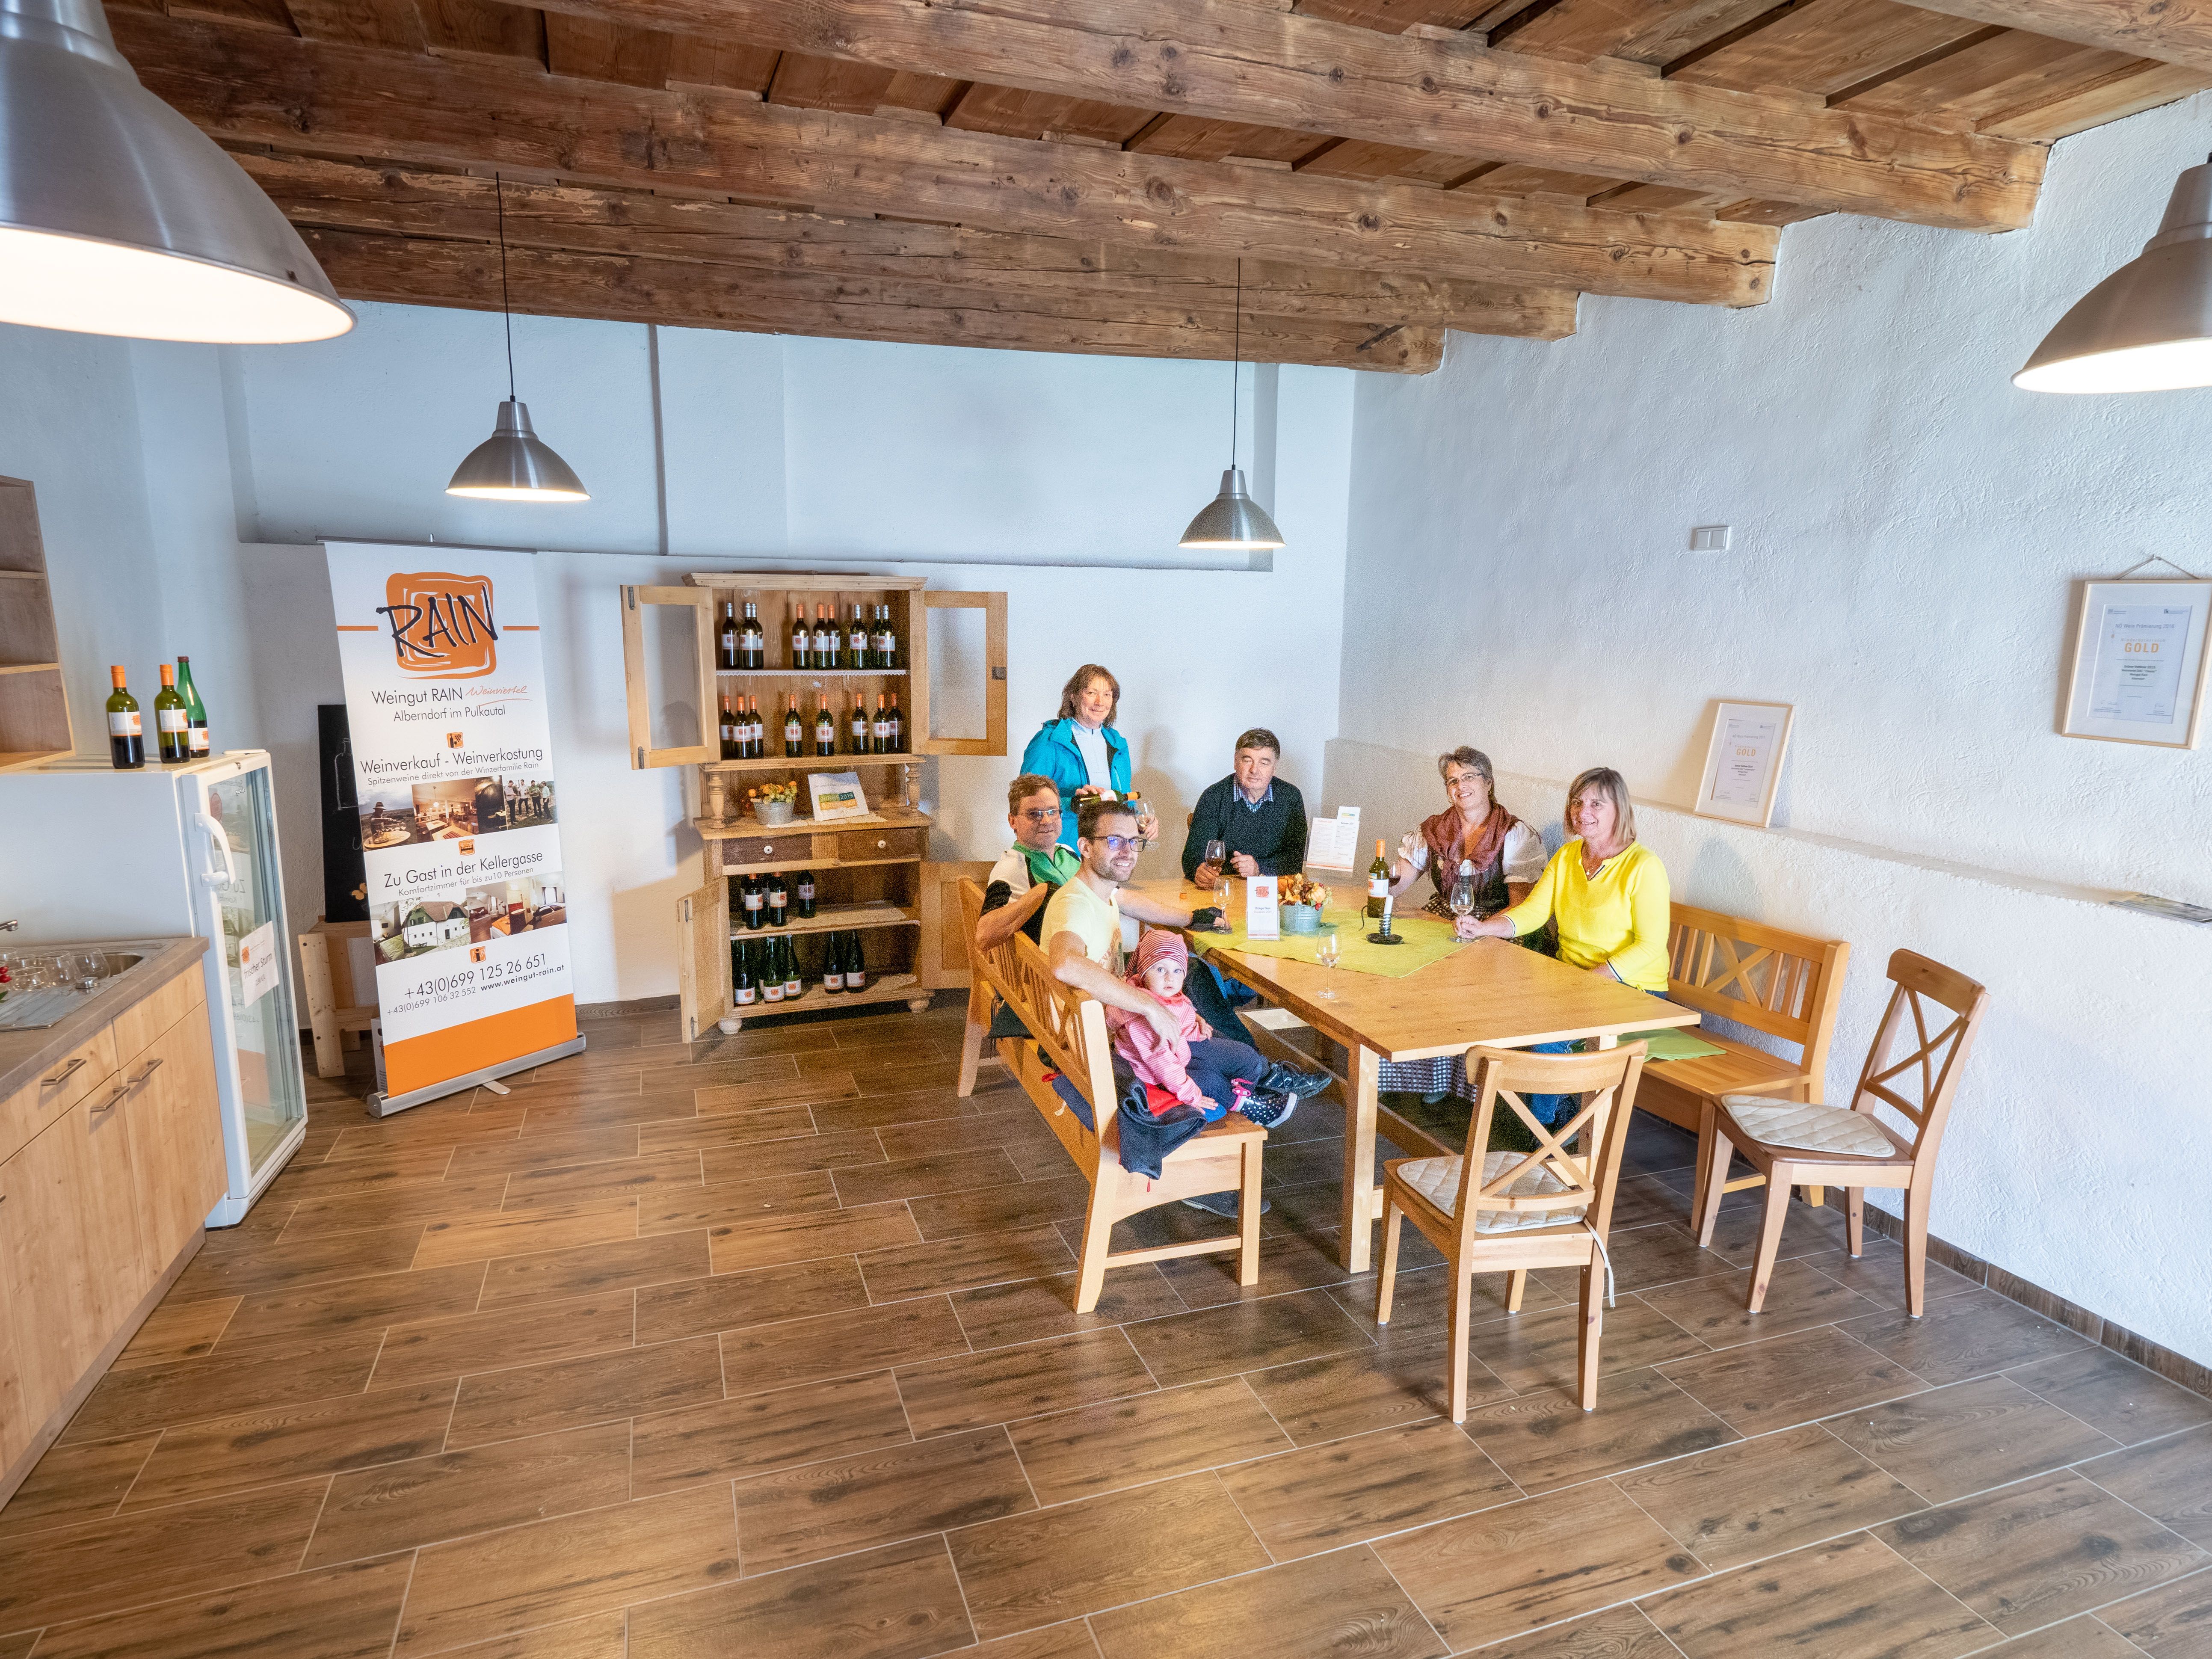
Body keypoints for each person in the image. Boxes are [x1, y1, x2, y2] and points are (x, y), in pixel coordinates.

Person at [1044, 797, 1327, 1216]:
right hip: (1092, 1049)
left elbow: (1143, 907)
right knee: (1207, 1078)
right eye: (1114, 841)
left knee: (1190, 985)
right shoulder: (1074, 904)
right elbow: (1065, 961)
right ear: (1085, 847)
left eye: (1134, 841)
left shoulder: (1100, 893)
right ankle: (1201, 1175)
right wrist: (1149, 1005)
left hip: (1101, 1029)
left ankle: (1254, 1082)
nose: (1127, 851)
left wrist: (1195, 916)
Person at [1457, 766, 1672, 1127]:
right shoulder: (1569, 856)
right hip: (1574, 981)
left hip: (1635, 989)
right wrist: (1483, 928)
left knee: (1547, 1030)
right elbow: (1533, 913)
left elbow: (1650, 946)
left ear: (1618, 809)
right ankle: (1540, 1111)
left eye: (1596, 804)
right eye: (1577, 802)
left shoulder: (1643, 866)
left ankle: (1542, 1131)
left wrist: (1593, 980)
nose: (1582, 811)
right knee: (1498, 1003)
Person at [1108, 930, 1297, 1129]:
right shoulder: (1142, 1020)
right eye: (1160, 969)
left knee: (1248, 1057)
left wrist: (1195, 1019)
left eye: (1177, 971)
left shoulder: (1156, 990)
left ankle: (1242, 1098)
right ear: (1144, 973)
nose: (1169, 978)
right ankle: (1251, 1109)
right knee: (1211, 1081)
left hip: (1181, 1050)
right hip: (1154, 1075)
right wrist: (1192, 1095)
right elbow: (1163, 1064)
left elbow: (1179, 1005)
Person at [1019, 664, 1157, 850]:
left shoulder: (1118, 745)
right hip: (1063, 849)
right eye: (1092, 693)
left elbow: (1124, 799)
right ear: (1074, 697)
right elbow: (1025, 799)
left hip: (1108, 850)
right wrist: (1073, 804)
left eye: (1108, 695)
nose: (1100, 702)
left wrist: (1140, 820)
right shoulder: (1049, 741)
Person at [1182, 728, 1308, 885]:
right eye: (1247, 760)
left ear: (1275, 767)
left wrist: (1258, 868)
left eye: (1264, 762)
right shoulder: (1213, 797)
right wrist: (1199, 871)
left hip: (1270, 892)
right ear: (1236, 761)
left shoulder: (1291, 797)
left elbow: (1296, 860)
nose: (1255, 770)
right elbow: (1191, 858)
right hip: (1224, 889)